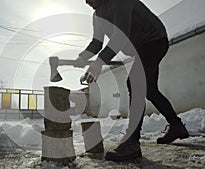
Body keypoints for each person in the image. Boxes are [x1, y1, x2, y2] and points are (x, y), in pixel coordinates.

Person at [74, 0, 189, 162]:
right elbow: (97, 43)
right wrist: (82, 57)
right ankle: (176, 126)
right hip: (140, 48)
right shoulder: (97, 15)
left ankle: (132, 143)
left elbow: (121, 36)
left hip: (154, 39)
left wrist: (99, 62)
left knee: (134, 83)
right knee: (149, 90)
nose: (86, 1)